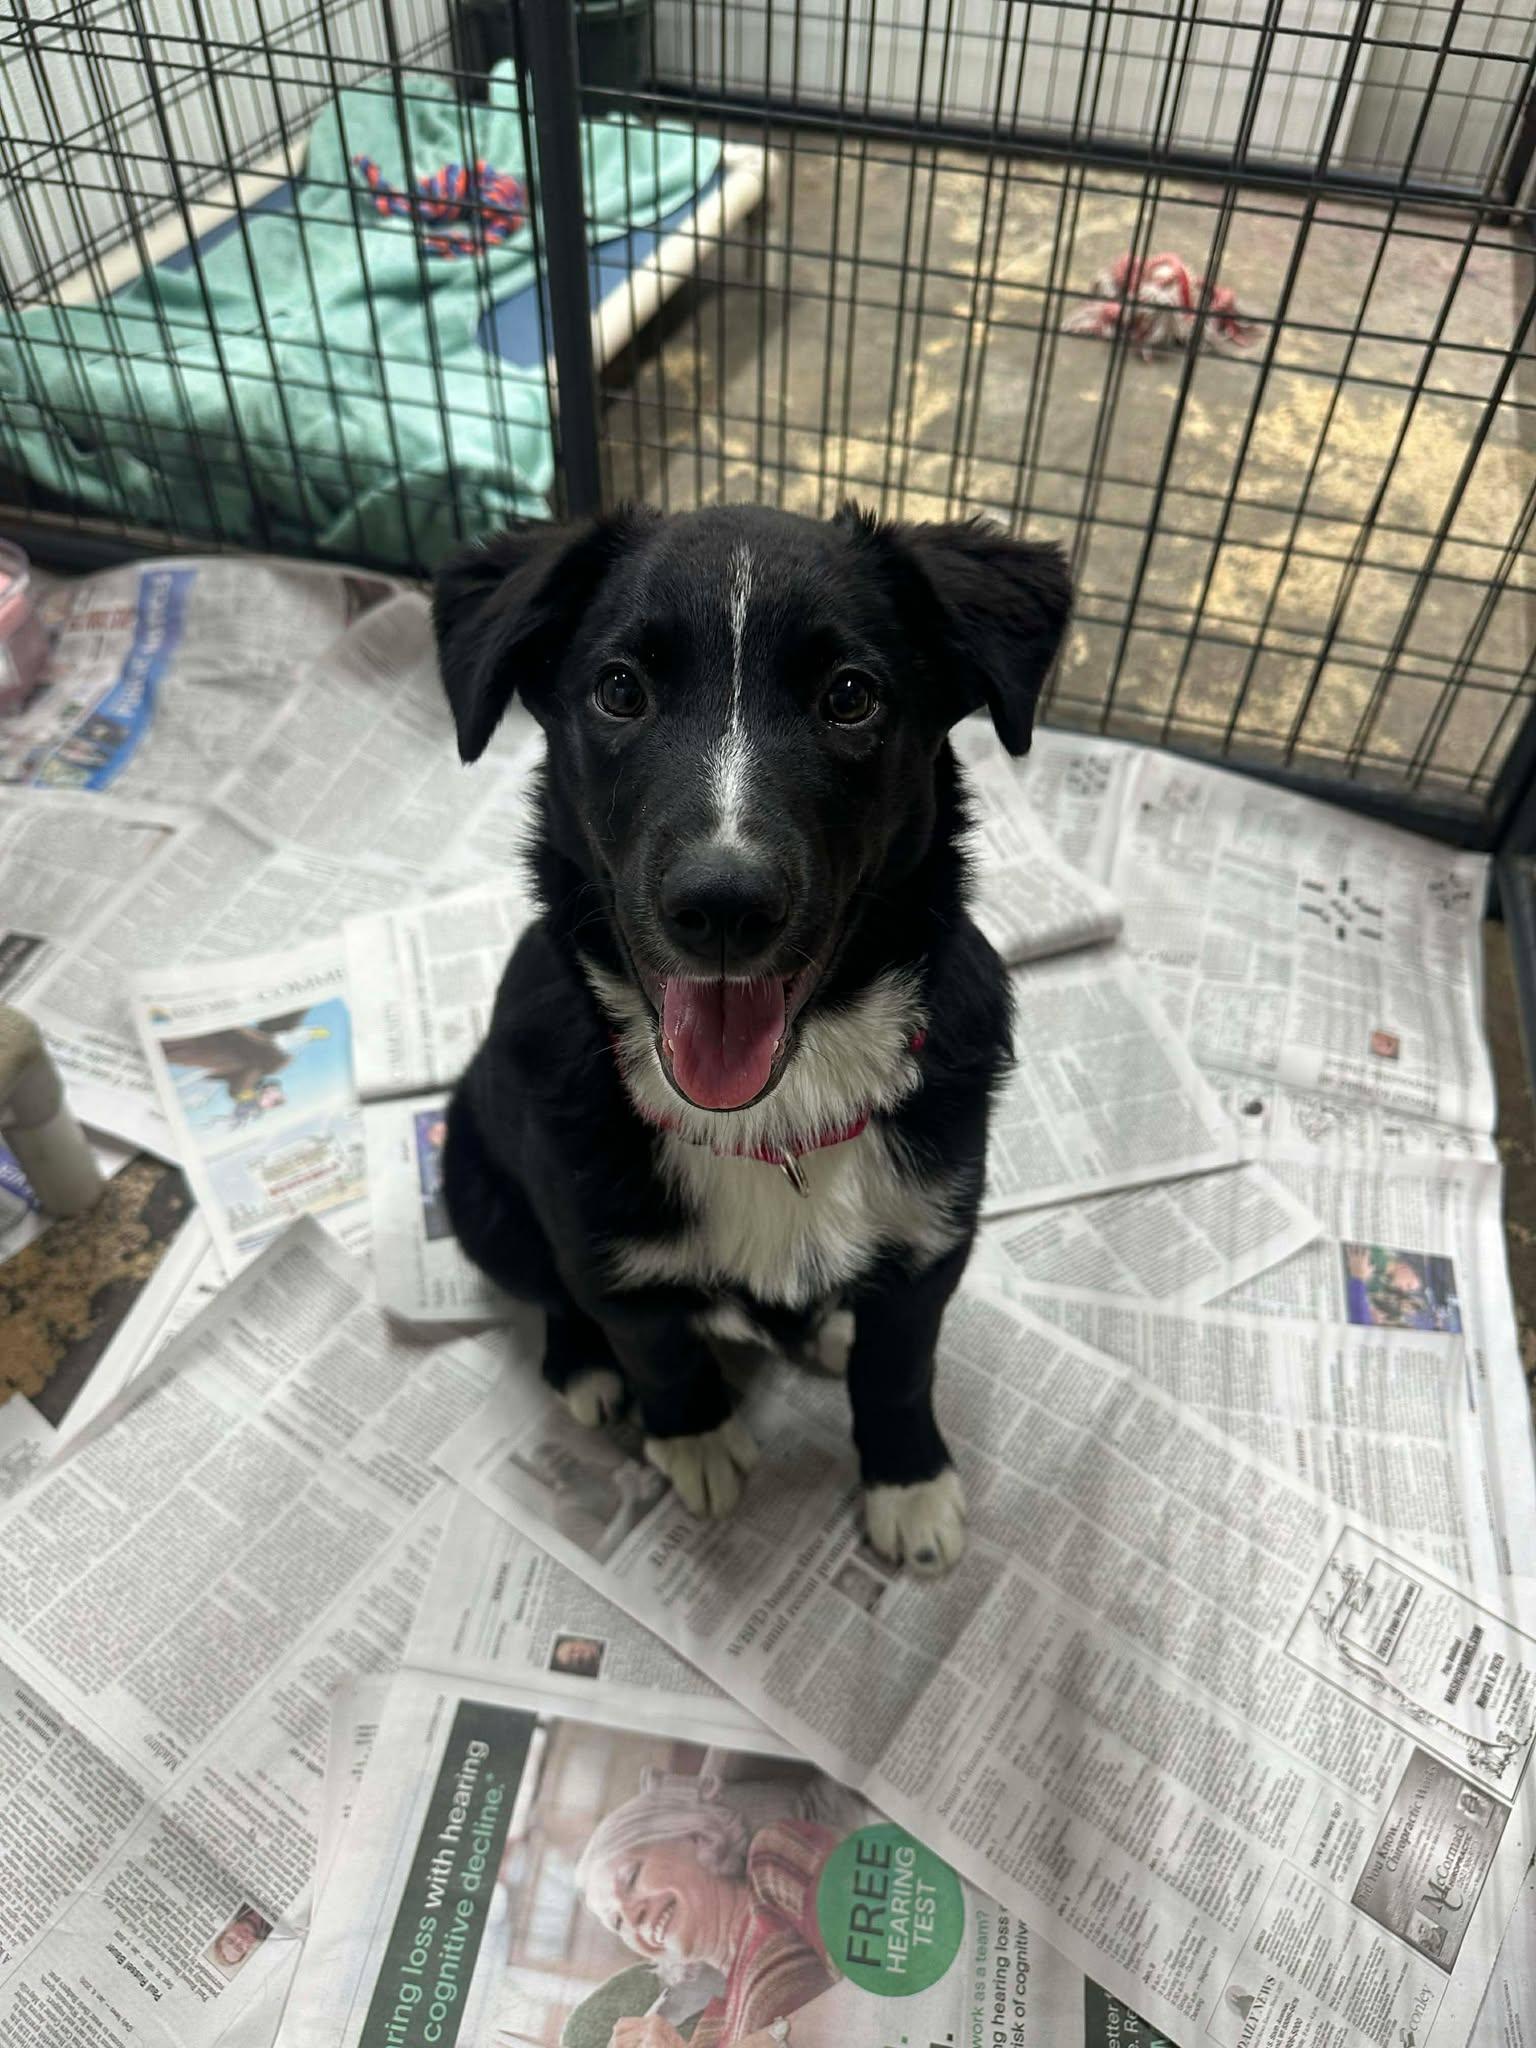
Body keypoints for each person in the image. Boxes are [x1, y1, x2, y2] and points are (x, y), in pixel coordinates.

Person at [576, 1774, 842, 2048]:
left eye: (631, 1878)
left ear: (699, 1838)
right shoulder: (710, 2032)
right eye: (618, 1922)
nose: (633, 1918)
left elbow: (880, 1978)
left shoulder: (776, 1861)